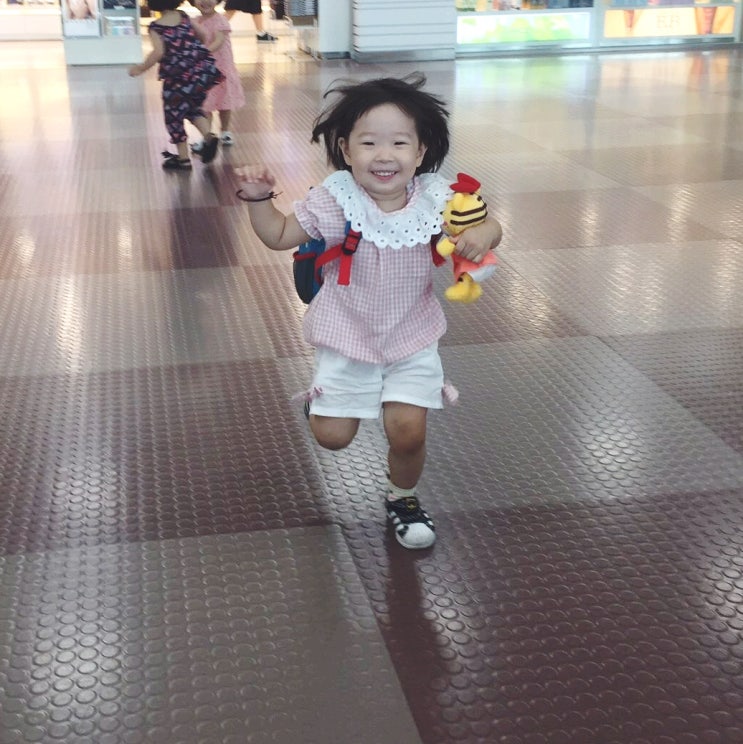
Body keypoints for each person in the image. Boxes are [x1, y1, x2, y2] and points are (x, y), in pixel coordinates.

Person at [234, 74, 503, 550]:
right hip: (347, 336)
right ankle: (323, 408)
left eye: (399, 143)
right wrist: (257, 199)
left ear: (420, 152)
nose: (384, 155)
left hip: (411, 336)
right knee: (333, 437)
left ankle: (403, 498)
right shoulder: (337, 200)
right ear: (345, 149)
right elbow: (278, 235)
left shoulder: (435, 198)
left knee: (408, 433)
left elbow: (487, 224)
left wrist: (484, 234)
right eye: (369, 142)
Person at [128, 0, 224, 171]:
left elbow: (158, 52)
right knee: (193, 108)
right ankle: (209, 137)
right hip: (200, 73)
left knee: (174, 116)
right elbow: (203, 34)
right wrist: (193, 50)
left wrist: (140, 68)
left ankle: (183, 159)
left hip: (177, 78)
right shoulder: (183, 16)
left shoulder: (156, 27)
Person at [192, 0, 246, 149]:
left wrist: (202, 53)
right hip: (203, 70)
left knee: (225, 103)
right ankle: (207, 137)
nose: (205, 2)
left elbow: (218, 41)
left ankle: (225, 131)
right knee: (205, 105)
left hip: (221, 68)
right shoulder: (195, 21)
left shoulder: (221, 20)